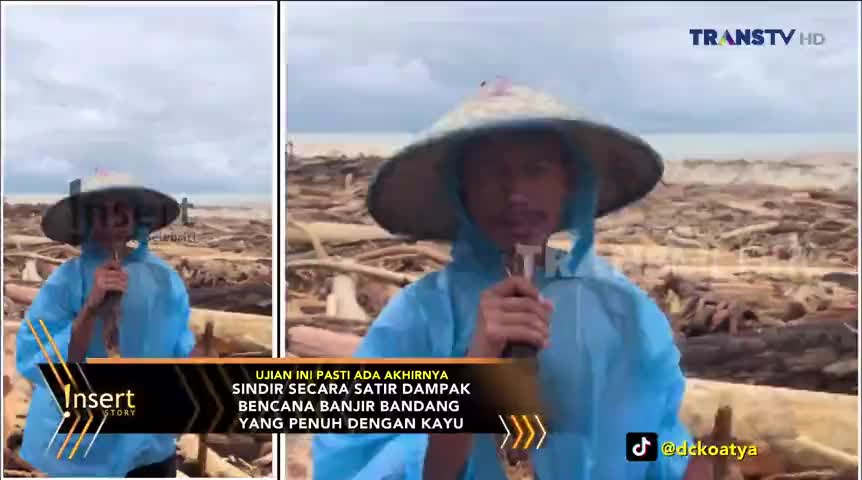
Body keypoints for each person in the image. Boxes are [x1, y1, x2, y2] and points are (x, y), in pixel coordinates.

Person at [312, 86, 715, 479]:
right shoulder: (420, 316)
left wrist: (701, 463)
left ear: (569, 184)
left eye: (536, 170)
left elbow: (651, 442)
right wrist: (477, 366)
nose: (516, 194)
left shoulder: (623, 310)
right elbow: (360, 463)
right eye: (490, 173)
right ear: (463, 191)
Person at [16, 173, 200, 477]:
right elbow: (44, 364)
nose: (111, 219)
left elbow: (179, 347)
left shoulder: (165, 280)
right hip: (82, 444)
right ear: (87, 221)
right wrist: (90, 308)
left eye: (120, 209)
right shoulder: (66, 280)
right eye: (100, 211)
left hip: (148, 437)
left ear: (136, 217)